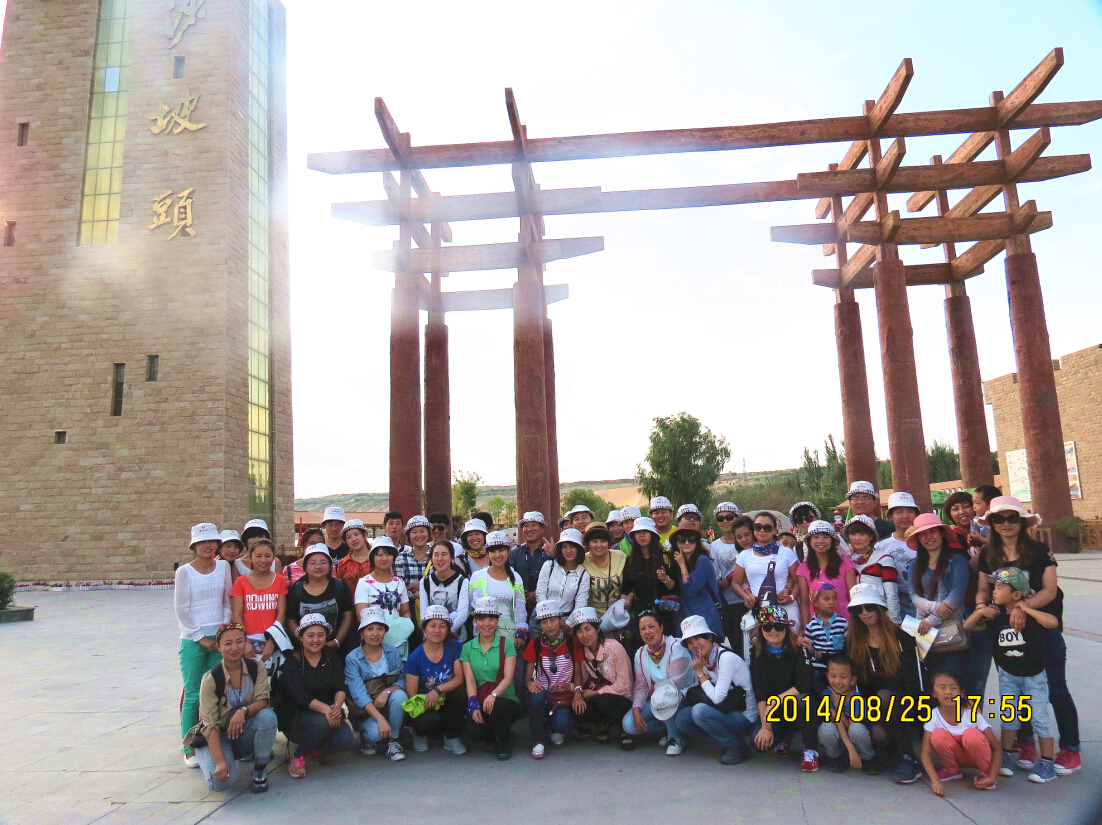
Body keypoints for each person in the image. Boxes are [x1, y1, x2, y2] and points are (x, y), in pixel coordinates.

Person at [974, 496, 1079, 774]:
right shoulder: (988, 554)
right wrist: (981, 606)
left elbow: (1049, 590)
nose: (1006, 524)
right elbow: (983, 589)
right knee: (1015, 689)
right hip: (1005, 633)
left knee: (1055, 688)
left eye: (1012, 518)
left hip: (1041, 630)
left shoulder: (1039, 550)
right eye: (999, 519)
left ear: (1021, 522)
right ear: (991, 523)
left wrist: (1022, 606)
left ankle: (1071, 748)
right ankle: (1025, 742)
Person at [964, 567, 1060, 784]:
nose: (994, 591)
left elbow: (1053, 622)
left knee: (1039, 718)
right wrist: (980, 611)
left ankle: (1047, 763)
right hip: (1008, 674)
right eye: (994, 587)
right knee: (1009, 716)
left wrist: (1027, 609)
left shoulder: (1029, 614)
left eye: (1000, 587)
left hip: (1034, 675)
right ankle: (1005, 757)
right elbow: (967, 626)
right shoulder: (996, 615)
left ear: (1016, 594)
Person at [845, 582, 923, 783]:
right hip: (874, 706)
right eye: (859, 609)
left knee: (885, 696)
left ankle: (910, 759)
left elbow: (914, 680)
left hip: (907, 702)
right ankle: (892, 754)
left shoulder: (901, 637)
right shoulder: (853, 642)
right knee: (878, 734)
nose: (864, 612)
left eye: (869, 606)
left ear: (879, 608)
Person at [188, 622, 278, 793]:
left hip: (243, 731)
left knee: (268, 716)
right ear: (218, 646)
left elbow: (263, 701)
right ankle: (216, 758)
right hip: (218, 734)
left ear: (246, 642)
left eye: (239, 641)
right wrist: (220, 762)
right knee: (220, 784)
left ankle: (259, 769)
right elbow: (209, 724)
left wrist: (243, 712)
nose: (234, 648)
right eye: (228, 643)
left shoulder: (256, 667)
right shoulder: (211, 679)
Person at [175, 523, 232, 768]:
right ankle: (189, 747)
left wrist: (222, 632)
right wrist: (201, 638)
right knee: (192, 693)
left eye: (212, 542)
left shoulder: (224, 567)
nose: (208, 546)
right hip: (193, 639)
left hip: (218, 638)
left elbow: (227, 600)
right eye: (202, 542)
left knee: (215, 692)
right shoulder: (185, 572)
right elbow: (182, 608)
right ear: (194, 546)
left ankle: (212, 739)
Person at [667, 614, 757, 764]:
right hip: (726, 708)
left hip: (744, 716)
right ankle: (727, 739)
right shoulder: (703, 658)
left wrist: (700, 673)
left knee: (699, 711)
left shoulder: (726, 658)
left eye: (697, 638)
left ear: (709, 637)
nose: (694, 645)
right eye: (689, 642)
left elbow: (717, 698)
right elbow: (703, 687)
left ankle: (736, 746)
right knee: (682, 718)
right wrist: (679, 694)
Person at [283, 614, 357, 778]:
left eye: (320, 635)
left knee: (345, 740)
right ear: (301, 637)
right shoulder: (292, 661)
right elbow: (299, 695)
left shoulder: (331, 657)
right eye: (310, 635)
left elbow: (340, 686)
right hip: (299, 718)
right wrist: (327, 710)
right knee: (321, 722)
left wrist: (336, 708)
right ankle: (298, 756)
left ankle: (316, 747)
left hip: (328, 713)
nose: (315, 640)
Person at [748, 603, 819, 772]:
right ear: (761, 629)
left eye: (779, 626)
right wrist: (765, 727)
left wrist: (777, 700)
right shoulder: (756, 652)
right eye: (767, 627)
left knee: (802, 701)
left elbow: (803, 684)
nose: (773, 631)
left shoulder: (798, 648)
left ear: (786, 628)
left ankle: (811, 749)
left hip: (798, 704)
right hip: (775, 710)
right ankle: (786, 735)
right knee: (759, 743)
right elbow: (759, 691)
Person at [907, 513, 970, 679]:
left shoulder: (957, 561)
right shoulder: (913, 565)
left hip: (951, 629)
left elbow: (956, 595)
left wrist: (931, 621)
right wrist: (934, 609)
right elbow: (913, 595)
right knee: (929, 681)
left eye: (932, 532)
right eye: (923, 534)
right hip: (923, 631)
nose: (928, 537)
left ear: (942, 533)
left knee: (953, 680)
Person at [461, 597, 522, 760]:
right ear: (475, 621)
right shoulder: (467, 648)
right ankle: (491, 733)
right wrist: (473, 703)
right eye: (481, 619)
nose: (486, 624)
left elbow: (508, 678)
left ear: (497, 621)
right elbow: (470, 680)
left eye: (491, 619)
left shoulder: (507, 644)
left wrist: (493, 695)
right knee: (473, 733)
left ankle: (505, 742)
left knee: (497, 706)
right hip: (481, 699)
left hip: (505, 700)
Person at [621, 610, 693, 749]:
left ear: (661, 628)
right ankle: (667, 728)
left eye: (651, 627)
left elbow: (676, 684)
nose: (647, 632)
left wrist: (654, 689)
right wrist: (636, 709)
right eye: (643, 629)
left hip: (680, 698)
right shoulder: (640, 653)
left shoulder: (676, 647)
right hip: (658, 700)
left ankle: (676, 738)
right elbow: (641, 687)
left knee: (664, 697)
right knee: (629, 725)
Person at [920, 669, 1000, 795]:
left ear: (961, 693)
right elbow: (925, 753)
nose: (948, 692)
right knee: (937, 736)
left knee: (971, 735)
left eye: (953, 688)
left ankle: (986, 772)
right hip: (958, 758)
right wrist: (935, 781)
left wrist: (992, 776)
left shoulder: (971, 714)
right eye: (942, 687)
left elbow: (997, 748)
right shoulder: (933, 716)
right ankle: (951, 770)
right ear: (933, 693)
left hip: (977, 757)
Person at [344, 607, 407, 762]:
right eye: (370, 629)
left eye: (380, 628)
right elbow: (359, 695)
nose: (375, 633)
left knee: (400, 695)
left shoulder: (392, 651)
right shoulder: (352, 658)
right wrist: (380, 719)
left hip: (387, 704)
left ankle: (394, 741)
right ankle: (367, 737)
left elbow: (403, 678)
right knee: (376, 733)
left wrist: (387, 691)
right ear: (361, 633)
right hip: (365, 711)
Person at [403, 605, 467, 755]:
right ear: (424, 629)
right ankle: (419, 733)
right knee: (430, 721)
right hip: (425, 703)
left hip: (445, 697)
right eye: (432, 626)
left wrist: (438, 690)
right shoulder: (415, 657)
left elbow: (459, 678)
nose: (437, 630)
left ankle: (451, 736)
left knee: (461, 694)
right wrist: (430, 698)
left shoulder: (454, 647)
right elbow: (411, 694)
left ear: (448, 630)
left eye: (442, 626)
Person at [522, 600, 583, 758]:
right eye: (544, 622)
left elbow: (578, 671)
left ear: (560, 620)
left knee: (562, 723)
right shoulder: (535, 644)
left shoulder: (572, 642)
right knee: (537, 695)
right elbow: (527, 678)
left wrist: (576, 691)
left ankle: (554, 728)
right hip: (542, 693)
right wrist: (530, 684)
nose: (549, 626)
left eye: (553, 620)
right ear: (540, 625)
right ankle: (537, 741)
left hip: (562, 696)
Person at [568, 606, 634, 746]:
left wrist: (596, 693)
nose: (584, 635)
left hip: (624, 698)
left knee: (601, 700)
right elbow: (584, 681)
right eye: (579, 631)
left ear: (597, 629)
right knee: (577, 704)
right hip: (601, 696)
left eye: (588, 629)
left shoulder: (615, 647)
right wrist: (568, 687)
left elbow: (624, 685)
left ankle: (625, 729)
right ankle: (602, 724)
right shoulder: (584, 652)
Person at [728, 511, 801, 630]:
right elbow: (736, 583)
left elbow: (798, 580)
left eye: (767, 527)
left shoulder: (786, 552)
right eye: (758, 527)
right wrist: (745, 596)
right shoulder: (744, 555)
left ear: (774, 530)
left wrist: (791, 596)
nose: (762, 531)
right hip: (759, 609)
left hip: (786, 608)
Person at [818, 655, 880, 774]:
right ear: (827, 676)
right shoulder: (826, 694)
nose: (837, 681)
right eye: (833, 676)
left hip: (855, 739)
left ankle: (867, 758)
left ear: (852, 680)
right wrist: (851, 750)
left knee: (857, 729)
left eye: (843, 677)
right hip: (839, 737)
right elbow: (836, 721)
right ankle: (835, 757)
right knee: (826, 728)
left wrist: (838, 705)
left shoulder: (857, 699)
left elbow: (850, 726)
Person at [286, 544, 354, 653]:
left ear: (330, 565)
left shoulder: (339, 586)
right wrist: (305, 641)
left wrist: (337, 641)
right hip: (305, 651)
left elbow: (347, 615)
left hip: (335, 651)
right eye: (313, 563)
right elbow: (291, 620)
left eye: (323, 562)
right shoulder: (297, 589)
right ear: (305, 567)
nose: (318, 566)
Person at [467, 531, 529, 646]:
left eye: (501, 550)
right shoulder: (477, 577)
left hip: (509, 634)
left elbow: (520, 609)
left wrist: (521, 633)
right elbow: (470, 607)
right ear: (487, 553)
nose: (498, 555)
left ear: (508, 551)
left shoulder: (516, 577)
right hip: (483, 633)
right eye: (493, 551)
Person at [230, 538, 287, 661]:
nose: (263, 560)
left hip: (273, 638)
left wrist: (273, 639)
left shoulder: (279, 580)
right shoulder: (241, 582)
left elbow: (281, 613)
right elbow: (237, 615)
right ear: (250, 557)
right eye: (258, 556)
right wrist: (244, 642)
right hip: (248, 641)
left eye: (268, 556)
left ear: (273, 557)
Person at [622, 517, 679, 638]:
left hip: (664, 614)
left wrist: (665, 579)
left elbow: (675, 587)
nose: (641, 535)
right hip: (641, 614)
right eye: (638, 532)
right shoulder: (631, 561)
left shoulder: (666, 557)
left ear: (653, 535)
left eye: (645, 532)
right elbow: (626, 587)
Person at [796, 520, 856, 626]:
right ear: (809, 541)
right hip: (818, 626)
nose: (821, 541)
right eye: (816, 537)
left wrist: (854, 625)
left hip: (846, 624)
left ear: (832, 541)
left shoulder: (845, 563)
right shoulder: (803, 568)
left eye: (825, 537)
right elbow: (805, 602)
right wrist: (806, 628)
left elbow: (853, 596)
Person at [669, 523, 723, 639]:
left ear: (697, 542)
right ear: (676, 543)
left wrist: (682, 565)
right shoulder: (675, 562)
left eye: (691, 540)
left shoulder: (703, 561)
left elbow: (690, 590)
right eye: (682, 540)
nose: (687, 543)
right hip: (685, 618)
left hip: (705, 618)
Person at [845, 515, 901, 624]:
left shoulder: (883, 559)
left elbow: (891, 594)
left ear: (871, 536)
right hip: (855, 618)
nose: (857, 538)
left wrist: (894, 621)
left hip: (881, 616)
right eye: (853, 534)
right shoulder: (846, 561)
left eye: (862, 534)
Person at [876, 492, 920, 618]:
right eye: (899, 512)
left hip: (923, 600)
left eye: (910, 511)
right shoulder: (881, 546)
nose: (905, 516)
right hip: (894, 601)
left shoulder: (925, 542)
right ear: (890, 516)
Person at [419, 540, 470, 642]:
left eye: (444, 554)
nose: (439, 559)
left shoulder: (462, 581)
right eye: (436, 555)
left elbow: (462, 614)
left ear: (452, 558)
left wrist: (445, 633)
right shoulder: (425, 582)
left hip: (456, 638)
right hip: (432, 638)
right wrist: (433, 633)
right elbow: (424, 613)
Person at [535, 528, 591, 616]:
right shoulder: (549, 566)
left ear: (579, 549)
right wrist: (549, 617)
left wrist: (568, 622)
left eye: (572, 546)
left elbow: (580, 604)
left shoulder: (583, 575)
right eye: (565, 547)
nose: (568, 551)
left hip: (568, 618)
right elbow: (540, 593)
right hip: (543, 615)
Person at [801, 584, 847, 689]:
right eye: (826, 599)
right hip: (819, 668)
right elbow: (808, 649)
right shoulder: (811, 625)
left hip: (839, 668)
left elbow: (848, 647)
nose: (831, 602)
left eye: (834, 599)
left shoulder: (842, 623)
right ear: (815, 602)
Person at [581, 521, 628, 620]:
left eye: (603, 541)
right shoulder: (582, 561)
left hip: (617, 616)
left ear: (608, 543)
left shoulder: (620, 557)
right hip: (591, 617)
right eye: (594, 541)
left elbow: (631, 583)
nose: (599, 545)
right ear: (588, 543)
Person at [395, 515, 433, 639]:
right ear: (409, 535)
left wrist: (421, 590)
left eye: (422, 531)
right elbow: (401, 587)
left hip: (434, 604)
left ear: (428, 533)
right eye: (414, 532)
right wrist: (417, 594)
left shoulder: (437, 554)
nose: (419, 535)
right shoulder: (401, 558)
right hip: (410, 607)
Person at [510, 511, 555, 612]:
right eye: (526, 526)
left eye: (534, 525)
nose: (529, 529)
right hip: (518, 607)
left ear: (542, 528)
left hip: (546, 608)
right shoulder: (514, 553)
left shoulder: (551, 552)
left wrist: (537, 595)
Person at [334, 519, 372, 596]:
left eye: (356, 534)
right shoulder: (343, 563)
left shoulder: (376, 559)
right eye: (348, 537)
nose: (353, 539)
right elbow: (339, 588)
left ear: (364, 535)